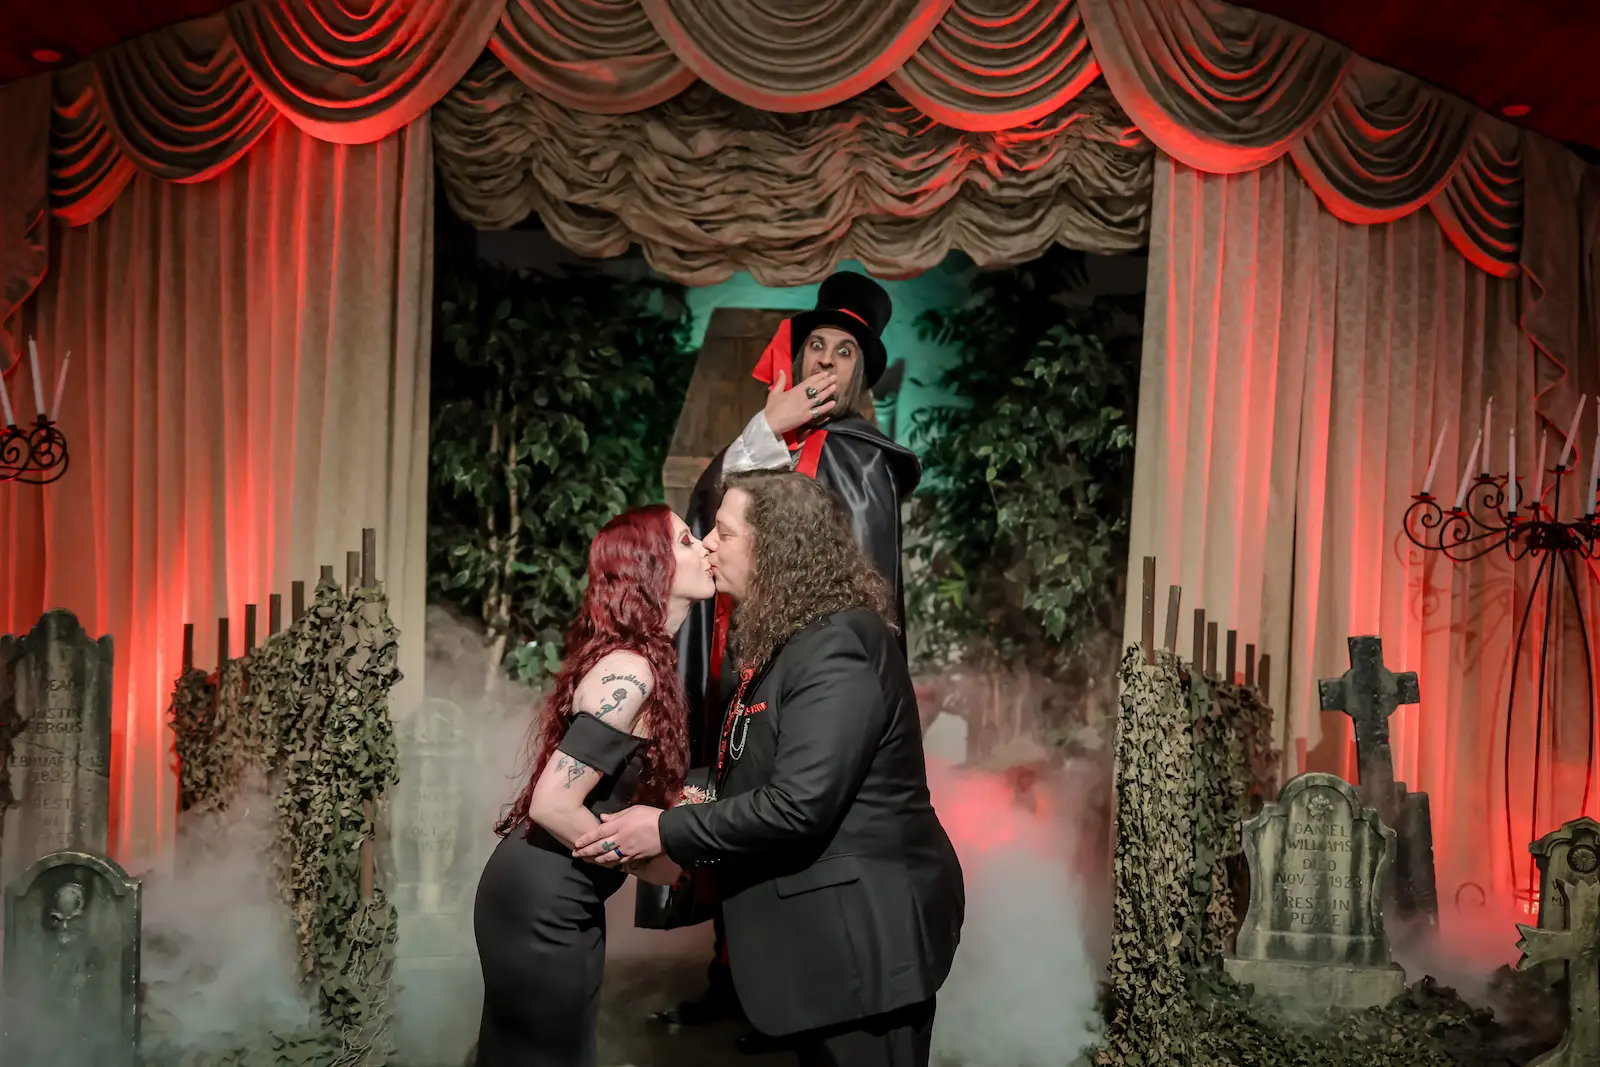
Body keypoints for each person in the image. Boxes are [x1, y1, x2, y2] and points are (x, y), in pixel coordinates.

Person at [575, 471, 965, 1067]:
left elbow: (799, 805)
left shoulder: (837, 645)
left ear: (776, 546)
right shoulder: (793, 640)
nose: (709, 544)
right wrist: (683, 791)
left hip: (865, 947)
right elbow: (753, 769)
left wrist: (664, 830)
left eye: (724, 533)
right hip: (825, 952)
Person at [657, 270, 921, 1032]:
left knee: (780, 811)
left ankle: (785, 985)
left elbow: (863, 589)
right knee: (726, 799)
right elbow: (707, 515)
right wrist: (766, 429)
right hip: (736, 660)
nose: (826, 362)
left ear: (859, 373)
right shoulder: (767, 436)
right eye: (817, 347)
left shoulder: (863, 460)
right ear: (796, 357)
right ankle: (731, 973)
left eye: (844, 352)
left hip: (806, 674)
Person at [472, 504, 715, 1067]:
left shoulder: (643, 663)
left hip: (559, 897)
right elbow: (553, 803)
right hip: (541, 904)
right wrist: (644, 862)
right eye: (685, 541)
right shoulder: (631, 672)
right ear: (651, 568)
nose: (703, 546)